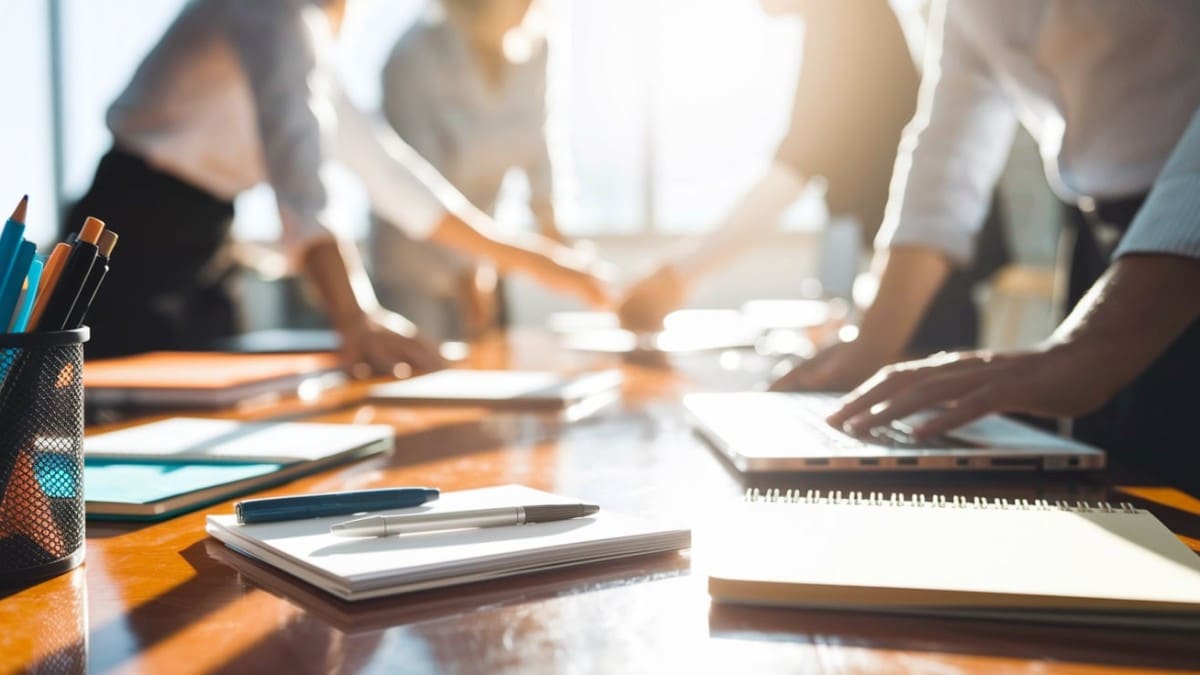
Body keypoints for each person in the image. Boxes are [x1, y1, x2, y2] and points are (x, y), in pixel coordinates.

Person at [774, 1, 1200, 487]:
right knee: (1125, 490)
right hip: (1101, 240)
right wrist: (871, 343)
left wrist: (1089, 349)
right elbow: (947, 151)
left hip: (1177, 246)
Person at [64, 0, 608, 373]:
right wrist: (355, 317)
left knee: (201, 412)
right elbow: (301, 181)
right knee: (109, 416)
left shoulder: (306, 40)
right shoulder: (273, 14)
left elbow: (397, 180)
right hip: (127, 232)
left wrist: (544, 261)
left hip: (206, 234)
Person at [617, 0, 1009, 356]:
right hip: (922, 256)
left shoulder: (847, 13)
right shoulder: (843, 17)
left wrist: (681, 274)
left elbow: (797, 165)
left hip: (930, 267)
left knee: (916, 404)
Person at [371, 0, 564, 342]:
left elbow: (538, 136)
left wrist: (548, 219)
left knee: (493, 373)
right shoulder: (413, 56)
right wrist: (466, 268)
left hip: (488, 243)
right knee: (422, 378)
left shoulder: (535, 47)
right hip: (415, 262)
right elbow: (419, 183)